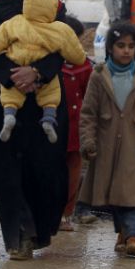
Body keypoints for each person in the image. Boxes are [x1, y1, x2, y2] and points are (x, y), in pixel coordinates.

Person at [0, 0, 70, 260]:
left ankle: (39, 231)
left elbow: (62, 50)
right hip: (6, 99)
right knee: (7, 169)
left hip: (44, 100)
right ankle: (19, 233)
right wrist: (14, 76)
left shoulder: (54, 9)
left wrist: (38, 72)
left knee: (43, 169)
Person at [78, 22, 135, 257]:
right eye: (120, 46)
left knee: (133, 196)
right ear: (110, 48)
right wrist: (88, 141)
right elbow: (88, 113)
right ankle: (124, 233)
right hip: (107, 147)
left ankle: (134, 236)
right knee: (115, 195)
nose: (126, 51)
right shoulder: (99, 76)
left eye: (130, 46)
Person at [0, 0, 86, 144]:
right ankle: (49, 118)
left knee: (9, 96)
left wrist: (34, 73)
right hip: (20, 77)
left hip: (18, 71)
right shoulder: (59, 28)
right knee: (51, 93)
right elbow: (76, 55)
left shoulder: (14, 22)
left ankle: (9, 116)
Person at [57, 15, 93, 231]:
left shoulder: (85, 66)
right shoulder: (49, 64)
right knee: (53, 170)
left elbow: (90, 95)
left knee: (73, 172)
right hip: (53, 127)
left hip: (76, 128)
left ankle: (66, 214)